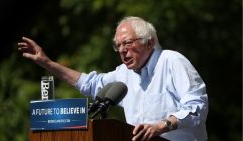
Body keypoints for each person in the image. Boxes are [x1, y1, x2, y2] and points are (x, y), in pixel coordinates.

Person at [18, 16, 208, 141]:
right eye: (118, 47)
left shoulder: (171, 61)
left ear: (149, 42)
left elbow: (196, 107)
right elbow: (90, 84)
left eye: (127, 43)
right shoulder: (124, 74)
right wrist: (47, 63)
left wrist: (161, 126)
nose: (122, 51)